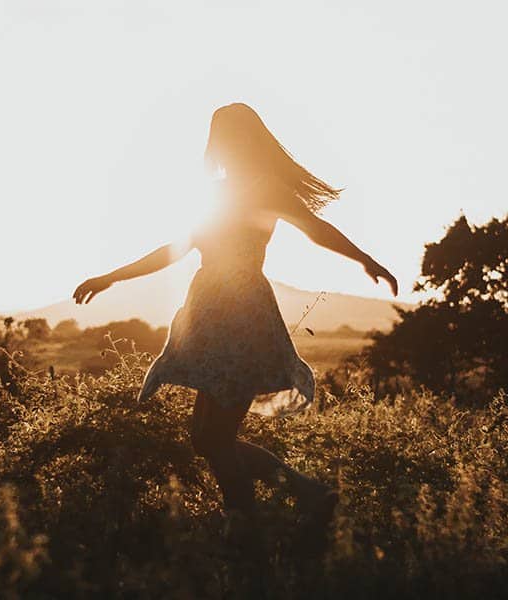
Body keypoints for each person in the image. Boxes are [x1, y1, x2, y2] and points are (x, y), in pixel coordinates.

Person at [73, 103, 398, 520]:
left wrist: (364, 259)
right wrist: (111, 277)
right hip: (209, 315)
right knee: (207, 439)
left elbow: (317, 230)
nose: (220, 147)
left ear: (245, 140)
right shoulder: (217, 193)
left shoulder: (267, 188)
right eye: (218, 138)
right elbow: (175, 249)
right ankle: (300, 497)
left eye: (227, 137)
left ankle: (256, 522)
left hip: (243, 315)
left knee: (216, 438)